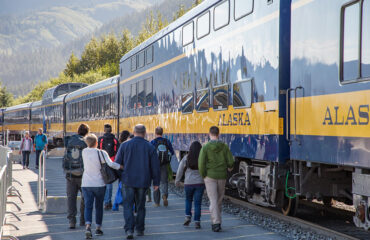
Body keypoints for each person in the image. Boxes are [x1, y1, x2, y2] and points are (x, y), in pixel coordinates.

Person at [115, 124, 160, 239]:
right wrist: (156, 183)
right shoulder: (150, 147)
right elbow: (155, 166)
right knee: (140, 206)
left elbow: (117, 163)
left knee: (128, 206)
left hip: (128, 180)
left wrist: (122, 173)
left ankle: (129, 230)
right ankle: (140, 229)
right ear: (144, 133)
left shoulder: (124, 145)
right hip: (143, 181)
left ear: (134, 132)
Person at [81, 134, 123, 239]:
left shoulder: (84, 152)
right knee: (99, 206)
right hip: (99, 184)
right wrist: (121, 166)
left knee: (88, 206)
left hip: (86, 184)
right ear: (96, 143)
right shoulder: (101, 152)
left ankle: (87, 226)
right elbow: (111, 164)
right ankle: (98, 228)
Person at [198, 126, 234, 232]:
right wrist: (228, 168)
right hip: (222, 176)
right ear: (218, 134)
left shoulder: (205, 147)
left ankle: (216, 223)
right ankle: (218, 221)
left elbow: (201, 164)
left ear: (209, 134)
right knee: (218, 200)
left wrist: (204, 175)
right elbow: (231, 162)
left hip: (210, 176)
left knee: (213, 200)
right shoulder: (224, 146)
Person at [63, 123, 89, 229]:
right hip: (83, 175)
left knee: (71, 198)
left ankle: (72, 221)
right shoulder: (86, 142)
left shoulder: (69, 141)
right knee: (85, 198)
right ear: (87, 132)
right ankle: (83, 219)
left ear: (78, 131)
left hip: (70, 175)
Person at [175, 141, 204, 229]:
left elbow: (180, 170)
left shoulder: (186, 158)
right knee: (197, 203)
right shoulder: (202, 158)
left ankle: (187, 216)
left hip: (188, 184)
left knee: (188, 200)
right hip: (199, 183)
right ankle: (197, 222)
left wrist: (177, 180)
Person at [150, 126, 174, 207]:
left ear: (155, 133)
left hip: (155, 165)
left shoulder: (153, 142)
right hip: (164, 164)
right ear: (162, 133)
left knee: (156, 182)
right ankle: (164, 195)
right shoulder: (166, 141)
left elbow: (149, 153)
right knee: (164, 181)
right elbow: (172, 152)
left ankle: (157, 202)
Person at [97, 124, 120, 210]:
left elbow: (97, 150)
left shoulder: (100, 139)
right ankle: (108, 201)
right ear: (111, 130)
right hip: (112, 162)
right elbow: (118, 152)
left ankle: (106, 201)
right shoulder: (115, 140)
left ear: (104, 130)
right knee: (109, 183)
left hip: (102, 162)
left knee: (103, 182)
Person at [112, 130, 131, 211]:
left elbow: (117, 160)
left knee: (121, 187)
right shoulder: (127, 145)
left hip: (120, 169)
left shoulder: (119, 145)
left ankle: (116, 205)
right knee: (127, 188)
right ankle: (129, 204)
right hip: (126, 169)